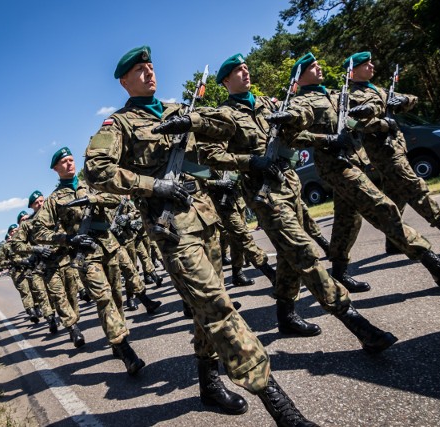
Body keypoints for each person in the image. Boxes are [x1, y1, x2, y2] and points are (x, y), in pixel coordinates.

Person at [85, 45, 322, 426]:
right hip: (172, 231)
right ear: (124, 81)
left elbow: (223, 129)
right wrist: (153, 185)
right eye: (139, 70)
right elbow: (96, 172)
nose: (148, 73)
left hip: (206, 220)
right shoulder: (119, 126)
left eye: (150, 66)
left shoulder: (178, 111)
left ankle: (208, 383)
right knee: (217, 305)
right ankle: (280, 404)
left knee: (206, 308)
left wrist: (193, 121)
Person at [162, 53, 398, 353]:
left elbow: (297, 134)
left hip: (289, 185)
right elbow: (210, 156)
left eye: (246, 68)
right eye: (237, 71)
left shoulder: (270, 105)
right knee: (303, 250)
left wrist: (311, 132)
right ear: (225, 81)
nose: (245, 73)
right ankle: (355, 322)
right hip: (263, 193)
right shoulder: (225, 115)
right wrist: (252, 162)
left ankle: (285, 315)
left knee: (288, 256)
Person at [275, 52, 440, 290]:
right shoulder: (300, 102)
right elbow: (293, 137)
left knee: (347, 220)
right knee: (383, 208)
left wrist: (372, 112)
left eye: (317, 64)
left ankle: (340, 272)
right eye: (312, 66)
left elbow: (359, 117)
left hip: (356, 161)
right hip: (336, 166)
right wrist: (329, 139)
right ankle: (436, 266)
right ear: (299, 77)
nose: (319, 67)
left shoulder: (335, 95)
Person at [345, 51, 440, 255]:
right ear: (353, 71)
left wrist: (403, 101)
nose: (372, 66)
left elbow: (413, 99)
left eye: (371, 63)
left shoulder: (378, 90)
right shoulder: (352, 96)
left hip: (397, 147)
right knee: (415, 188)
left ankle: (394, 241)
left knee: (396, 196)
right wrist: (385, 124)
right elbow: (356, 124)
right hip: (383, 151)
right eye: (366, 64)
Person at [35, 147, 145, 375]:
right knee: (104, 298)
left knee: (116, 295)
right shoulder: (54, 200)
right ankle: (125, 350)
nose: (68, 164)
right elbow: (38, 233)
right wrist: (67, 239)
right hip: (86, 254)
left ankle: (117, 340)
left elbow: (116, 198)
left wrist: (93, 198)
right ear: (55, 169)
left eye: (70, 160)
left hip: (109, 245)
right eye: (63, 162)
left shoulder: (92, 181)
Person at [203, 170, 276, 286]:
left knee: (236, 240)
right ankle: (271, 274)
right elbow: (198, 182)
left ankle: (237, 275)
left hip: (237, 202)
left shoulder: (229, 154)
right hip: (222, 206)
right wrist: (217, 183)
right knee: (244, 237)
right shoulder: (203, 157)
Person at [11, 200, 59, 332]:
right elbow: (16, 250)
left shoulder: (37, 222)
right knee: (41, 293)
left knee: (52, 292)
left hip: (49, 263)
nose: (24, 220)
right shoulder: (20, 234)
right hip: (33, 268)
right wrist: (27, 258)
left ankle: (54, 314)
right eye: (21, 220)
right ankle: (50, 318)